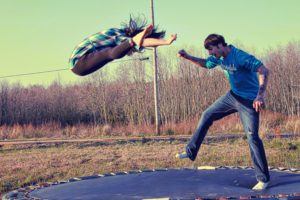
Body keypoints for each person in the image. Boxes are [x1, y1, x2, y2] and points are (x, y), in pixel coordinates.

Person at [176, 34, 270, 190]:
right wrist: (188, 57)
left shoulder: (240, 56)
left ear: (220, 45)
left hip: (249, 100)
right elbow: (206, 64)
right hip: (232, 96)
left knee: (252, 136)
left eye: (212, 51)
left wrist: (260, 95)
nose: (211, 54)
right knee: (207, 114)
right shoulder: (218, 58)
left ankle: (263, 179)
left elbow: (263, 70)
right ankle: (191, 152)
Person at [69, 16, 177, 76]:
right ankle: (135, 40)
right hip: (79, 60)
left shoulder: (117, 35)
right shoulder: (119, 35)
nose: (132, 53)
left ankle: (135, 40)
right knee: (110, 54)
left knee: (112, 53)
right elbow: (143, 42)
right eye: (133, 51)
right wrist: (165, 42)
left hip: (79, 65)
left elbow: (141, 42)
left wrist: (166, 42)